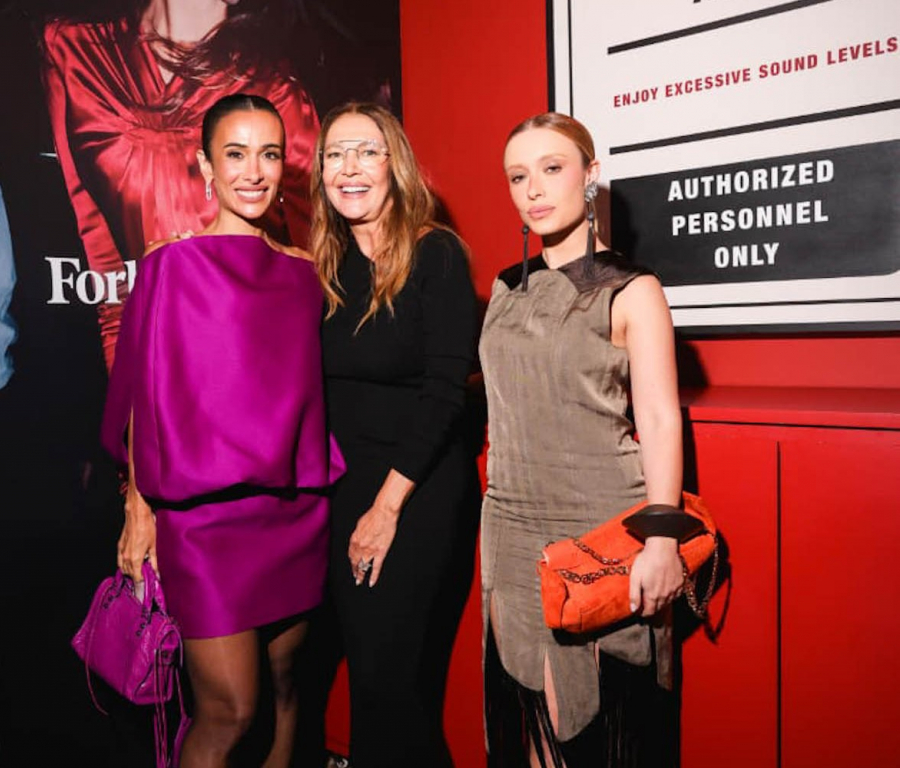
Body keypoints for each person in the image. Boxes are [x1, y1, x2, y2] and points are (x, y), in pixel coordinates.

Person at [101, 93, 344, 767]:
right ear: (206, 165)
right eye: (235, 155)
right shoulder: (169, 265)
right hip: (204, 522)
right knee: (230, 710)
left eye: (269, 154)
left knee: (290, 689)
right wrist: (137, 507)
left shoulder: (303, 274)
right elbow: (136, 403)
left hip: (294, 509)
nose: (254, 172)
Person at [479, 113, 685, 767]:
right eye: (519, 175)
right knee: (528, 726)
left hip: (602, 528)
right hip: (510, 528)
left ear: (589, 176)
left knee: (599, 731)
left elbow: (657, 418)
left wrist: (660, 539)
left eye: (552, 167)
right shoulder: (503, 291)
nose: (533, 188)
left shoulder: (633, 289)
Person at [312, 102, 480, 767]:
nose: (348, 167)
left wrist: (384, 510)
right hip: (341, 492)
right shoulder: (324, 267)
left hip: (414, 494)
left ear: (395, 166)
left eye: (366, 151)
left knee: (390, 688)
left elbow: (444, 394)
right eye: (334, 154)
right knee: (364, 682)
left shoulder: (435, 253)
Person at [42, 0, 320, 369]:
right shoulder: (73, 50)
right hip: (150, 361)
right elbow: (102, 258)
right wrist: (127, 386)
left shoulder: (273, 94)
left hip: (253, 360)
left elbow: (320, 260)